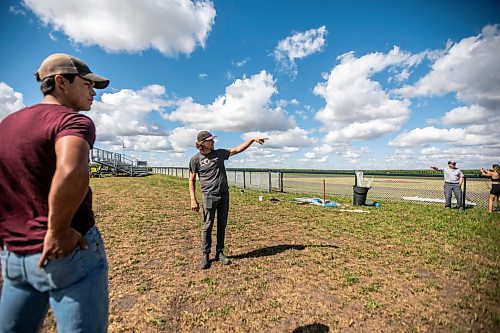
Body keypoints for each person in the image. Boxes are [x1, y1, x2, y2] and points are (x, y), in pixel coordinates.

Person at [0, 53, 110, 332]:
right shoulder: (72, 122)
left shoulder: (8, 125)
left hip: (15, 256)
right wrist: (59, 229)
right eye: (87, 84)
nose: (93, 92)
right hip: (67, 254)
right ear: (61, 82)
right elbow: (72, 170)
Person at [189, 131, 268, 269]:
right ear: (202, 143)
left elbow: (237, 149)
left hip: (224, 195)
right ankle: (205, 255)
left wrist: (252, 140)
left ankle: (219, 253)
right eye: (210, 140)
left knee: (222, 225)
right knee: (207, 225)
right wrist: (193, 199)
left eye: (213, 140)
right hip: (209, 196)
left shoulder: (219, 153)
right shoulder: (195, 159)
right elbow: (191, 180)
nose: (213, 142)